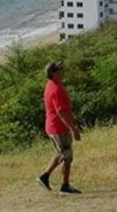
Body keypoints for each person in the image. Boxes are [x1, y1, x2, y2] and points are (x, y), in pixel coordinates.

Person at [38, 61, 82, 195]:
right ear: (53, 73)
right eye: (60, 69)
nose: (63, 70)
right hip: (58, 128)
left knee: (61, 153)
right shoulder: (56, 89)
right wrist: (73, 129)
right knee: (67, 157)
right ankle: (65, 186)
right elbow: (61, 112)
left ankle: (44, 177)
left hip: (53, 126)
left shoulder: (52, 85)